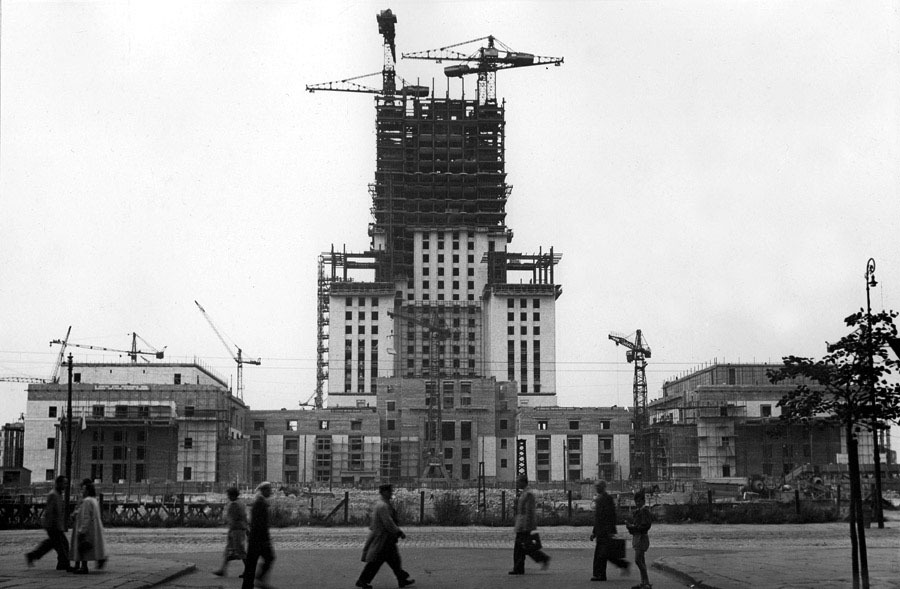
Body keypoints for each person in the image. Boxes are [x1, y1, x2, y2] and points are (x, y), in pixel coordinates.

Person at [356, 484, 414, 589]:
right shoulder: (382, 506)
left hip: (385, 538)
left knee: (394, 560)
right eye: (389, 491)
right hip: (384, 538)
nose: (391, 493)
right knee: (378, 562)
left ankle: (402, 579)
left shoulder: (383, 504)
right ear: (384, 492)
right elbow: (388, 522)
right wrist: (399, 532)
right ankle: (362, 580)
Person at [26, 475, 70, 570]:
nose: (66, 485)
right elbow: (50, 511)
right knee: (62, 545)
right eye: (64, 483)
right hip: (53, 525)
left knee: (51, 544)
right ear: (59, 483)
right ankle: (64, 564)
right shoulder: (53, 495)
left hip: (55, 525)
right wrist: (52, 526)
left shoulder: (58, 494)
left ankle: (32, 555)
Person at [509, 474, 550, 575]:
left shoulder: (528, 494)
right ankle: (519, 568)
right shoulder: (524, 493)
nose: (517, 483)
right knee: (522, 547)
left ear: (523, 482)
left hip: (524, 525)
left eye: (518, 481)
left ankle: (542, 558)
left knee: (524, 547)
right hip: (522, 524)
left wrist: (526, 526)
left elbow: (529, 511)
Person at [590, 479, 629, 581]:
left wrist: (609, 531)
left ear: (602, 487)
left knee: (602, 554)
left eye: (598, 487)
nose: (597, 488)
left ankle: (600, 574)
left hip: (606, 531)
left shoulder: (607, 499)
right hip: (601, 531)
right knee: (605, 553)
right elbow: (598, 518)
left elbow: (611, 516)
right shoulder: (601, 499)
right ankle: (621, 565)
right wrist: (594, 532)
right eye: (596, 487)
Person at [68, 478, 107, 574]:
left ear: (87, 490)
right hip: (92, 527)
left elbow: (86, 517)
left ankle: (83, 567)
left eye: (83, 489)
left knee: (82, 547)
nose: (81, 491)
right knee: (84, 547)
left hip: (84, 526)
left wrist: (82, 530)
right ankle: (84, 564)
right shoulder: (94, 500)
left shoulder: (86, 501)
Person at [242, 482, 275, 589]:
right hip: (259, 539)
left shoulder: (259, 502)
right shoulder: (260, 503)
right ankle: (259, 579)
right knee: (268, 558)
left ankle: (249, 585)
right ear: (264, 491)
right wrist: (265, 539)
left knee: (251, 565)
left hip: (255, 539)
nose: (271, 492)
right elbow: (259, 524)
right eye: (269, 490)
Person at [213, 487, 247, 577]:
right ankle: (222, 570)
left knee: (240, 551)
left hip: (236, 529)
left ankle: (249, 570)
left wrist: (227, 522)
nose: (228, 497)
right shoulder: (241, 503)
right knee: (229, 550)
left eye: (229, 495)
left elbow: (234, 518)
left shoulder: (234, 505)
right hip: (239, 529)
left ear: (232, 495)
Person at [626, 490, 653, 589]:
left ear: (643, 501)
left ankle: (645, 582)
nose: (637, 503)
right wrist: (631, 527)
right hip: (638, 537)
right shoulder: (639, 512)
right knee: (641, 560)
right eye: (636, 501)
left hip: (641, 537)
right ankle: (644, 582)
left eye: (639, 501)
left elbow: (645, 526)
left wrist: (632, 527)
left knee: (638, 560)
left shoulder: (644, 512)